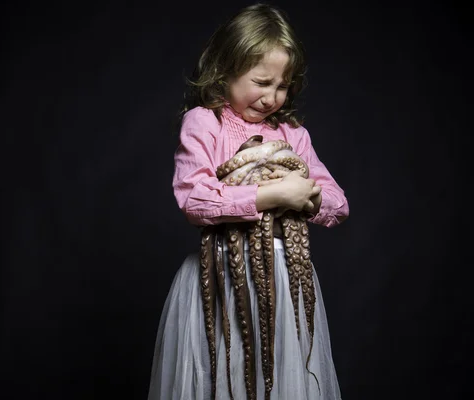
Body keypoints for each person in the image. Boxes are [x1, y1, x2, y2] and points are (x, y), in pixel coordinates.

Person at [147, 3, 349, 399]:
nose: (272, 96)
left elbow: (338, 204)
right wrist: (274, 193)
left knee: (276, 378)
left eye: (283, 85)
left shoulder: (292, 135)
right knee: (223, 373)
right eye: (261, 81)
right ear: (226, 69)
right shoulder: (205, 122)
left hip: (283, 279)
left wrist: (305, 199)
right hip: (218, 277)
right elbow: (195, 198)